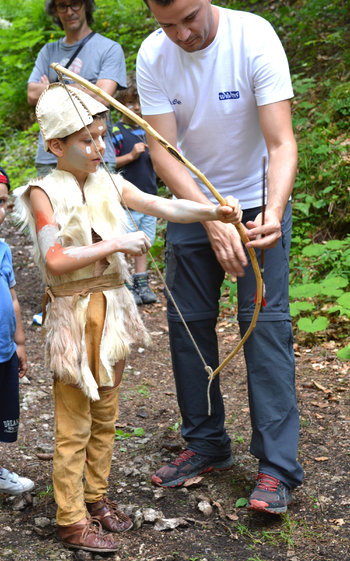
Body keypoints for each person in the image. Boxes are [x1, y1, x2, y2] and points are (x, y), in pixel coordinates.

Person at [17, 83, 241, 552]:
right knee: (74, 420)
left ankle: (95, 497)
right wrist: (116, 243)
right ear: (55, 145)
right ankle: (70, 517)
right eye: (87, 140)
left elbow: (160, 204)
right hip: (73, 314)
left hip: (112, 309)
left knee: (105, 413)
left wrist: (211, 210)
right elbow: (56, 259)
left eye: (102, 137)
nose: (100, 148)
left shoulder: (109, 181)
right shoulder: (43, 192)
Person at [136, 0, 303, 514]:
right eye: (167, 24)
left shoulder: (254, 37)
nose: (182, 34)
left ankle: (276, 469)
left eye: (189, 18)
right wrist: (204, 216)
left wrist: (272, 212)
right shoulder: (153, 53)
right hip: (190, 202)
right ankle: (207, 443)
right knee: (189, 323)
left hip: (257, 198)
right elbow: (161, 149)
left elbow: (280, 141)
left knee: (265, 323)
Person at [27, 0, 127, 176]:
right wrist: (84, 88)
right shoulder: (48, 51)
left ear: (86, 5)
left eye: (75, 4)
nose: (69, 11)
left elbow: (102, 97)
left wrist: (50, 88)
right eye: (62, 5)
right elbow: (32, 94)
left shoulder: (109, 49)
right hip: (50, 156)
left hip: (95, 155)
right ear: (55, 10)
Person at [0, 166, 34, 496]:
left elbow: (13, 298)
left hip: (4, 353)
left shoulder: (4, 250)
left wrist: (19, 342)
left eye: (1, 203)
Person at [112, 75, 158, 305]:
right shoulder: (116, 131)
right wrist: (131, 156)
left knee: (144, 241)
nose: (135, 107)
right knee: (124, 240)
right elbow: (107, 163)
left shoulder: (148, 129)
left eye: (138, 102)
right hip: (126, 199)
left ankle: (142, 283)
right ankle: (125, 284)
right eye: (130, 102)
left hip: (149, 196)